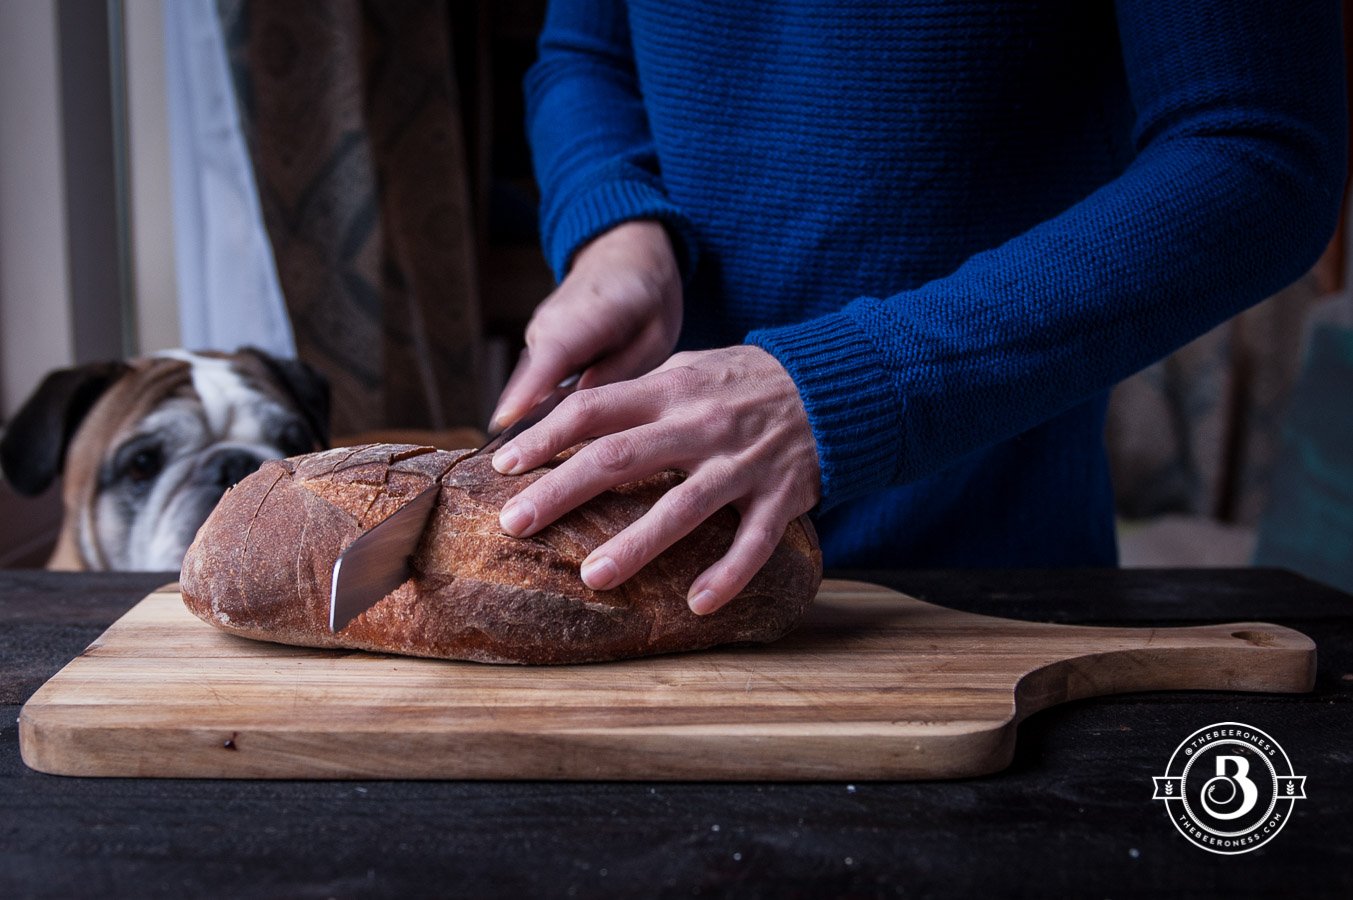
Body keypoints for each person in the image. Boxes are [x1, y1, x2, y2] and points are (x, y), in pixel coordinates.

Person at [487, 1, 1347, 616]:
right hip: (651, 584)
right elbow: (583, 52)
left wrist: (843, 390)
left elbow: (1258, 151)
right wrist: (618, 227)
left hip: (987, 592)